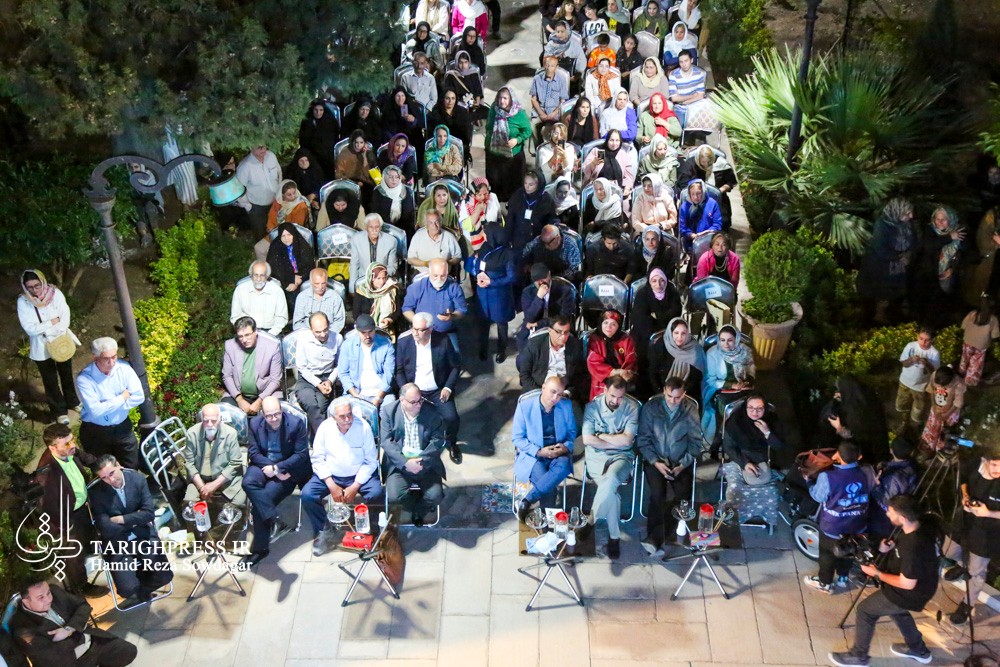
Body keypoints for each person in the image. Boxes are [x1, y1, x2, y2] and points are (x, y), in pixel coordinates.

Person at [828, 495, 937, 667]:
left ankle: (859, 656)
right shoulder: (916, 528)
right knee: (898, 612)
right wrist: (887, 548)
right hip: (920, 587)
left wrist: (876, 573)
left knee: (865, 611)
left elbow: (907, 583)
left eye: (891, 512)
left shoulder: (914, 546)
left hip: (910, 592)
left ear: (903, 518)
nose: (887, 514)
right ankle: (919, 650)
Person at [302, 397, 383, 556]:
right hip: (331, 475)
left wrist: (355, 485)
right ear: (333, 417)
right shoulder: (325, 428)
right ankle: (324, 530)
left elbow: (371, 461)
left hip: (358, 474)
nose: (347, 419)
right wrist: (331, 484)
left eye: (349, 414)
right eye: (342, 416)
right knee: (307, 495)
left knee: (376, 493)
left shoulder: (363, 427)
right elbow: (317, 458)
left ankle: (369, 529)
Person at [89, 454, 174, 606]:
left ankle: (143, 587)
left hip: (143, 536)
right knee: (126, 590)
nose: (110, 480)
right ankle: (138, 585)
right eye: (104, 478)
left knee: (165, 576)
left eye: (112, 473)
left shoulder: (137, 479)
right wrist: (135, 519)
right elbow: (105, 528)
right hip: (117, 543)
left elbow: (149, 514)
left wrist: (121, 519)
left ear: (118, 465)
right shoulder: (96, 493)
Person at [241, 396, 312, 566]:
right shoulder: (254, 424)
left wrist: (278, 469)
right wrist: (272, 468)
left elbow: (301, 454)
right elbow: (253, 453)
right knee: (247, 482)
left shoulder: (295, 424)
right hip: (263, 464)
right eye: (269, 416)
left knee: (259, 505)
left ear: (282, 411)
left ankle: (260, 550)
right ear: (262, 414)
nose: (273, 419)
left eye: (277, 414)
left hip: (287, 470)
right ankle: (273, 517)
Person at [637, 376, 701, 556]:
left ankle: (654, 538)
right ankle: (657, 537)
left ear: (684, 394)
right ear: (664, 391)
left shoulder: (690, 409)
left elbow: (696, 442)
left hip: (680, 460)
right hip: (656, 459)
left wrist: (682, 464)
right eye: (669, 396)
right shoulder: (651, 408)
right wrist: (655, 462)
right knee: (657, 495)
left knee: (683, 497)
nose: (673, 401)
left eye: (677, 397)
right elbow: (643, 440)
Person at [33, 424, 100, 595]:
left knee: (89, 542)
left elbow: (86, 458)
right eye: (67, 443)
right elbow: (48, 508)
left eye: (72, 440)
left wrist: (104, 466)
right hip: (66, 518)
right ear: (52, 448)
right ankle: (80, 588)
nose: (73, 445)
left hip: (82, 508)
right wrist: (64, 530)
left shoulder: (68, 450)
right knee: (73, 554)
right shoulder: (47, 474)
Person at [10, 579, 137, 667]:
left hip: (92, 642)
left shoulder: (55, 591)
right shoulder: (22, 627)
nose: (48, 599)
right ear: (26, 601)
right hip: (70, 662)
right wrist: (79, 630)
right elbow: (53, 656)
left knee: (128, 651)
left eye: (48, 593)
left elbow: (83, 605)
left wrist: (69, 629)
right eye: (41, 597)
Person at [803, 441, 876, 594]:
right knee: (850, 550)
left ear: (837, 456)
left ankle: (825, 583)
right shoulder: (868, 472)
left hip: (833, 527)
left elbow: (818, 496)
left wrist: (809, 481)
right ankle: (843, 577)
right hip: (858, 524)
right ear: (859, 456)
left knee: (827, 555)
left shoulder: (827, 476)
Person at [940, 450, 1000, 626]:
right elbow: (963, 480)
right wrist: (965, 496)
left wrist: (989, 513)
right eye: (994, 465)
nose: (998, 470)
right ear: (986, 461)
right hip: (965, 521)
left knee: (976, 572)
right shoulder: (975, 465)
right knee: (948, 551)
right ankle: (961, 565)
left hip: (988, 533)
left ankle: (967, 605)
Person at [582, 375, 639, 559]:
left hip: (622, 457)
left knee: (612, 477)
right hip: (597, 457)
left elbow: (628, 440)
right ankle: (614, 537)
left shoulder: (632, 407)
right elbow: (587, 439)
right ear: (605, 390)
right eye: (613, 396)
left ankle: (591, 520)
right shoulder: (592, 407)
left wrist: (602, 436)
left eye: (620, 397)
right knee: (611, 492)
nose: (616, 401)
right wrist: (616, 440)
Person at [396, 312, 463, 464]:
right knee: (410, 419)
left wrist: (448, 387)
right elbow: (399, 371)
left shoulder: (443, 340)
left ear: (430, 329)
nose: (415, 333)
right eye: (414, 329)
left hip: (437, 390)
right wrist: (405, 390)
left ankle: (451, 442)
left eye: (420, 330)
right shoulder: (404, 343)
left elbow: (455, 366)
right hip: (414, 391)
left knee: (451, 418)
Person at [17, 269, 80, 425]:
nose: (34, 290)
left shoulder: (55, 294)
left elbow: (64, 317)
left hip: (61, 342)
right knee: (50, 379)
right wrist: (52, 322)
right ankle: (59, 411)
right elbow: (30, 328)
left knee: (66, 374)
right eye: (29, 287)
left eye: (37, 285)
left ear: (42, 282)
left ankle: (73, 401)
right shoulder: (23, 301)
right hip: (41, 347)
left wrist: (49, 330)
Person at [381, 383, 448, 524]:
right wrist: (405, 463)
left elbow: (438, 440)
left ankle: (419, 509)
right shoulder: (389, 411)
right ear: (402, 400)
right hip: (399, 464)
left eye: (420, 400)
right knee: (394, 497)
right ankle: (414, 505)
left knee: (436, 496)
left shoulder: (431, 411)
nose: (418, 405)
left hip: (425, 463)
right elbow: (386, 442)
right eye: (413, 402)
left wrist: (422, 461)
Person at [76, 337, 144, 470]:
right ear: (95, 358)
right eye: (106, 358)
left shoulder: (124, 368)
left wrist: (106, 405)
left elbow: (139, 397)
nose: (112, 362)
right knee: (103, 470)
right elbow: (95, 411)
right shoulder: (84, 379)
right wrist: (122, 397)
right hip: (96, 432)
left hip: (122, 428)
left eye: (114, 357)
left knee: (131, 467)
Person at [513, 376, 577, 516]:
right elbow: (517, 438)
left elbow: (572, 432)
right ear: (543, 388)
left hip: (558, 454)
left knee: (564, 466)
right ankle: (548, 524)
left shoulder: (565, 405)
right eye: (552, 392)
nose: (555, 398)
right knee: (549, 487)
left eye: (559, 394)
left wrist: (565, 447)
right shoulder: (525, 406)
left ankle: (527, 501)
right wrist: (539, 451)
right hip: (534, 456)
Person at [721, 394, 786, 528]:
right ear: (745, 408)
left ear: (765, 409)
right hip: (738, 459)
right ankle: (736, 517)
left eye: (759, 408)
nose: (755, 412)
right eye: (751, 408)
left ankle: (766, 517)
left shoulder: (772, 420)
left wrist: (767, 432)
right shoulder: (735, 422)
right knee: (734, 489)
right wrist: (745, 464)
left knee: (772, 492)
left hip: (764, 460)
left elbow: (779, 447)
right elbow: (728, 447)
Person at [856, 198, 917, 325]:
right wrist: (899, 257)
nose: (911, 216)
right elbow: (880, 249)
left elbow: (914, 241)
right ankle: (873, 320)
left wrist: (909, 254)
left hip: (899, 268)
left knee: (897, 295)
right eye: (907, 213)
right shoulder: (882, 225)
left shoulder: (907, 224)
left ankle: (893, 317)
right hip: (880, 267)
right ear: (897, 212)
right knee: (877, 295)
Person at [911, 205, 967, 327]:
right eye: (937, 219)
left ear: (950, 219)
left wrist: (952, 269)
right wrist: (949, 237)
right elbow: (929, 246)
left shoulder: (958, 233)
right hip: (928, 276)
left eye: (944, 219)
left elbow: (962, 254)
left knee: (943, 304)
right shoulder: (928, 231)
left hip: (947, 277)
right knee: (927, 305)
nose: (940, 222)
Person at [816, 375, 890, 465]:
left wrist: (839, 428)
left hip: (864, 455)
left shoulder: (852, 413)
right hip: (880, 451)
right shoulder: (871, 401)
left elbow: (857, 439)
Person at [702, 324, 755, 443]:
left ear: (736, 339)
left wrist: (747, 382)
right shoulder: (712, 353)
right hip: (720, 389)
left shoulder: (745, 351)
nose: (726, 344)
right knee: (728, 408)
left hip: (743, 388)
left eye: (730, 340)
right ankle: (724, 438)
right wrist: (732, 385)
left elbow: (751, 371)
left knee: (753, 405)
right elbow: (711, 381)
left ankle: (746, 438)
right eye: (722, 340)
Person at [474, 216, 517, 363]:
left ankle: (501, 350)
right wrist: (478, 274)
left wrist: (491, 281)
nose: (484, 236)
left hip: (499, 295)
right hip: (483, 293)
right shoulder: (485, 247)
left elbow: (511, 276)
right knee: (483, 322)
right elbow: (478, 263)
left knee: (501, 323)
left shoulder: (507, 253)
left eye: (486, 233)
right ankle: (483, 348)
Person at [183, 403, 245, 504]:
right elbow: (189, 463)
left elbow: (235, 463)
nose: (210, 424)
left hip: (224, 478)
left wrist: (214, 485)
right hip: (200, 478)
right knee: (189, 504)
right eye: (206, 421)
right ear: (201, 419)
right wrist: (202, 487)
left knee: (239, 503)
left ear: (220, 419)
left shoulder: (230, 433)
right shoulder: (192, 433)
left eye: (214, 421)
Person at [221, 316, 283, 415]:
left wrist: (260, 401)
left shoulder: (272, 347)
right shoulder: (230, 346)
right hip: (238, 394)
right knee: (226, 413)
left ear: (255, 332)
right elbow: (227, 376)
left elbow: (275, 380)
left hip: (266, 393)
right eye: (240, 336)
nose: (244, 340)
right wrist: (239, 399)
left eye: (247, 335)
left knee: (274, 411)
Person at [294, 312, 344, 434]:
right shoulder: (303, 339)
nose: (323, 334)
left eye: (325, 330)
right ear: (311, 329)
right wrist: (317, 383)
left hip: (327, 378)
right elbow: (301, 367)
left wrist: (330, 381)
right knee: (311, 404)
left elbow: (340, 364)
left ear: (329, 325)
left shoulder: (337, 338)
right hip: (307, 378)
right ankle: (325, 436)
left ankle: (315, 439)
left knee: (321, 407)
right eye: (318, 332)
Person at [517, 315, 588, 400]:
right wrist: (540, 394)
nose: (563, 336)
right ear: (550, 331)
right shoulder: (535, 345)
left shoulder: (574, 345)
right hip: (538, 390)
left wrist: (568, 392)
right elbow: (524, 374)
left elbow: (580, 375)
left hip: (564, 393)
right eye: (559, 332)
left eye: (566, 332)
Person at [402, 258, 468, 342]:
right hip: (422, 333)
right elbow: (406, 309)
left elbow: (462, 310)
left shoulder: (454, 288)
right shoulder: (416, 287)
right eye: (435, 276)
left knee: (454, 350)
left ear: (447, 273)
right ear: (429, 272)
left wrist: (452, 316)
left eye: (443, 276)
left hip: (447, 333)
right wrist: (418, 322)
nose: (439, 279)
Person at [338, 314, 395, 408]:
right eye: (363, 333)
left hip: (382, 393)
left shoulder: (386, 344)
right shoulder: (347, 345)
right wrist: (355, 395)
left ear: (375, 329)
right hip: (356, 392)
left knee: (389, 405)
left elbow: (389, 374)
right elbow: (343, 373)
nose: (367, 336)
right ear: (357, 331)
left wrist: (378, 398)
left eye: (370, 331)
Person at [485, 87, 532, 202]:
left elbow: (527, 131)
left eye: (505, 98)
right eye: (500, 98)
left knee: (513, 186)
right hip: (495, 153)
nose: (502, 101)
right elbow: (488, 127)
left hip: (513, 155)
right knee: (495, 183)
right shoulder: (494, 110)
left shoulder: (519, 113)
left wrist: (517, 140)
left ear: (511, 99)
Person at [869, 438, 918, 541]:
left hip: (887, 516)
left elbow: (888, 502)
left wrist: (877, 485)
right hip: (906, 503)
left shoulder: (894, 477)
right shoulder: (912, 466)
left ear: (891, 450)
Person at [518, 263, 577, 348]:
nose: (541, 282)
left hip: (557, 327)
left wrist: (539, 323)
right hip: (533, 328)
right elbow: (529, 318)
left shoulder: (565, 291)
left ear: (549, 274)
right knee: (524, 349)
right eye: (537, 280)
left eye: (543, 278)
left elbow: (564, 318)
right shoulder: (527, 292)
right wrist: (538, 298)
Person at [677, 144, 737, 228]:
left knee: (723, 221)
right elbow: (683, 185)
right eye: (703, 163)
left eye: (708, 163)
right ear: (698, 159)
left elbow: (731, 182)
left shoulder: (721, 164)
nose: (706, 166)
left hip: (717, 198)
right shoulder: (690, 165)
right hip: (694, 198)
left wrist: (719, 191)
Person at [895, 326, 940, 433]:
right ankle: (904, 421)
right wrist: (911, 360)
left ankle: (914, 425)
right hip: (905, 382)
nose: (923, 342)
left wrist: (927, 364)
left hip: (920, 386)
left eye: (927, 340)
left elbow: (934, 372)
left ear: (932, 340)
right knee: (903, 402)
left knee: (918, 407)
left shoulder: (934, 353)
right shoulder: (910, 346)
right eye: (921, 338)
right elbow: (903, 363)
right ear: (917, 336)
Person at [647, 316, 702, 401]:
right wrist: (663, 393)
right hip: (662, 393)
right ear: (671, 333)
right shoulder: (660, 346)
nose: (679, 337)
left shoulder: (695, 349)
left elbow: (696, 378)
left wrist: (681, 395)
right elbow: (653, 373)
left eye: (683, 333)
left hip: (687, 395)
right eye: (676, 333)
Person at [266, 222, 315, 316]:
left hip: (302, 276)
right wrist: (291, 279)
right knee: (289, 291)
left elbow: (309, 266)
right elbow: (274, 269)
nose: (286, 238)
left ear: (293, 234)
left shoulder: (301, 245)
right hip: (284, 278)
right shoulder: (275, 246)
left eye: (289, 235)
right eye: (283, 236)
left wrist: (298, 279)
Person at [586, 309, 637, 399]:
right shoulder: (595, 339)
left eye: (613, 324)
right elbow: (593, 362)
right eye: (605, 323)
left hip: (622, 379)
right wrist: (613, 372)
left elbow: (631, 359)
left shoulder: (626, 339)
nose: (608, 327)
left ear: (618, 326)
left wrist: (622, 374)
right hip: (601, 380)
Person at [230, 260, 288, 336]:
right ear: (251, 275)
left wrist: (269, 335)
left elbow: (282, 318)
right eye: (255, 275)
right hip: (245, 332)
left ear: (267, 276)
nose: (258, 279)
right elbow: (235, 316)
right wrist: (246, 333)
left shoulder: (277, 291)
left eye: (262, 275)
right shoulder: (240, 290)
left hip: (271, 332)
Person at [236, 145, 282, 239]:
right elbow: (238, 189)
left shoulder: (271, 156)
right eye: (259, 147)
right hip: (257, 207)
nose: (263, 150)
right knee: (260, 234)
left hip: (275, 202)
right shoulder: (245, 166)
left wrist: (280, 192)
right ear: (251, 147)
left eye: (264, 147)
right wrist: (248, 207)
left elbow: (279, 173)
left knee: (277, 230)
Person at [508, 171, 557, 253]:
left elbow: (551, 218)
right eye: (525, 183)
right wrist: (508, 239)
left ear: (539, 185)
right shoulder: (518, 196)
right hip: (518, 242)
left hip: (538, 242)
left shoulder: (546, 200)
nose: (527, 187)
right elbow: (510, 219)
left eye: (531, 185)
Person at [920, 365, 966, 453]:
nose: (940, 386)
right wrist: (934, 406)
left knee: (944, 432)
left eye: (943, 386)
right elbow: (932, 391)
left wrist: (946, 415)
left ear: (950, 382)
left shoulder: (958, 384)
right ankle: (929, 444)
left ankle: (940, 448)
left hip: (950, 412)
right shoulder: (935, 375)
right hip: (936, 408)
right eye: (938, 385)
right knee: (932, 427)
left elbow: (957, 404)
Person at [350, 214, 400, 293]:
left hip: (383, 282)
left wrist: (380, 276)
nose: (374, 230)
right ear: (366, 227)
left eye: (377, 227)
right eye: (371, 227)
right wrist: (352, 289)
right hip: (363, 281)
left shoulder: (391, 241)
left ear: (380, 227)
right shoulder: (356, 239)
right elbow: (354, 265)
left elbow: (392, 267)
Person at [354, 263, 403, 337]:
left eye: (384, 278)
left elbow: (398, 311)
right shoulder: (361, 291)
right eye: (378, 278)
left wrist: (389, 319)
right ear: (371, 278)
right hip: (366, 329)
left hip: (387, 329)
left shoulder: (392, 289)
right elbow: (356, 314)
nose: (382, 282)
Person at [959, 296, 999, 387]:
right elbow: (995, 335)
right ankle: (970, 380)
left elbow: (963, 326)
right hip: (981, 345)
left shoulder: (972, 314)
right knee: (976, 363)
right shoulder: (993, 319)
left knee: (965, 358)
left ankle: (961, 372)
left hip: (968, 341)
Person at [583, 129, 635, 199]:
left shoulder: (624, 155)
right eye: (611, 140)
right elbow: (585, 170)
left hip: (617, 189)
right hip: (597, 189)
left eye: (617, 140)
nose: (614, 143)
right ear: (607, 140)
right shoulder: (597, 151)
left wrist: (627, 188)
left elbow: (629, 177)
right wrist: (593, 163)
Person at [293, 267, 346, 333]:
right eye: (317, 284)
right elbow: (297, 323)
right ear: (311, 282)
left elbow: (339, 322)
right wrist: (311, 334)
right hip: (307, 335)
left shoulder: (335, 297)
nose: (320, 287)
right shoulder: (302, 297)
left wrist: (326, 333)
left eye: (323, 283)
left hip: (329, 334)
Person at [531, 56, 571, 145]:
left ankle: (558, 147)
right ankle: (539, 147)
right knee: (532, 126)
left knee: (561, 128)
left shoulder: (561, 80)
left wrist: (553, 114)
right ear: (544, 65)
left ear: (556, 67)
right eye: (547, 65)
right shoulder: (537, 79)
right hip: (540, 111)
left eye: (552, 66)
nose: (549, 68)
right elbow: (533, 99)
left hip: (556, 112)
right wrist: (541, 114)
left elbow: (563, 101)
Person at [457, 176, 498, 257]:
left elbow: (499, 217)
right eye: (479, 194)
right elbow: (465, 226)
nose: (483, 197)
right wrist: (478, 211)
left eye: (485, 194)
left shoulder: (493, 197)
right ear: (473, 194)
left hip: (493, 243)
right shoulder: (466, 203)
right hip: (472, 247)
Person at [334, 130, 378, 204]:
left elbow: (372, 174)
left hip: (366, 183)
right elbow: (339, 175)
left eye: (361, 142)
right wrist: (355, 183)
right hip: (348, 182)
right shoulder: (344, 153)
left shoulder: (368, 153)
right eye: (356, 142)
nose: (358, 145)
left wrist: (364, 156)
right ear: (352, 142)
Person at [298, 99, 340, 176]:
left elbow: (335, 136)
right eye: (316, 110)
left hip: (328, 155)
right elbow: (303, 140)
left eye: (321, 110)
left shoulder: (330, 120)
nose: (318, 113)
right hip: (312, 155)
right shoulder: (307, 121)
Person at [371, 165, 417, 235]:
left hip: (404, 229)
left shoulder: (407, 191)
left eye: (397, 177)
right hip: (383, 230)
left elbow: (410, 216)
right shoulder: (378, 191)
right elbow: (375, 214)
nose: (394, 180)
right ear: (384, 177)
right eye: (390, 177)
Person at [430, 89, 474, 162]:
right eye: (447, 98)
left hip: (459, 146)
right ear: (443, 99)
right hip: (440, 146)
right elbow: (432, 134)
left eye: (453, 98)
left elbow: (467, 134)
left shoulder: (462, 112)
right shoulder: (435, 113)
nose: (450, 101)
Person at [678, 180, 721, 251]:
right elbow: (682, 228)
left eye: (698, 193)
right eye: (692, 194)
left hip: (710, 241)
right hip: (690, 242)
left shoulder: (713, 204)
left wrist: (704, 234)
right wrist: (692, 235)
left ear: (703, 192)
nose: (695, 197)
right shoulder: (684, 207)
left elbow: (717, 225)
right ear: (689, 194)